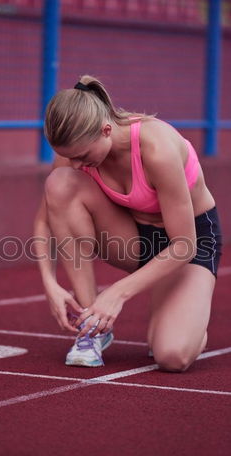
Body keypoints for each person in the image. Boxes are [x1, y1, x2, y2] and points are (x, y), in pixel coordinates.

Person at [33, 75, 223, 371]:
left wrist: (115, 293)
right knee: (59, 184)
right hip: (134, 238)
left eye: (81, 156)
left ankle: (186, 317)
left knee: (172, 356)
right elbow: (45, 221)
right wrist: (49, 282)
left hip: (188, 244)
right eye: (68, 157)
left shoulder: (157, 148)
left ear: (106, 129)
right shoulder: (75, 153)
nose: (75, 165)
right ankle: (93, 328)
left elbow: (184, 245)